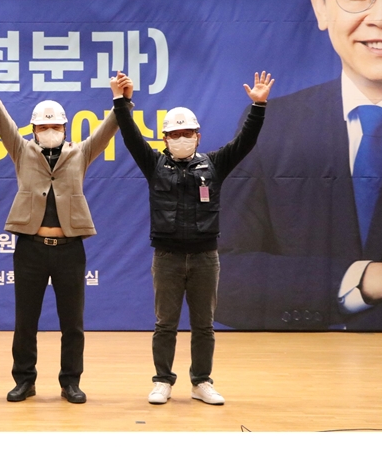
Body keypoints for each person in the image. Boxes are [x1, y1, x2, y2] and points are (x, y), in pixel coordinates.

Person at [215, 0, 382, 333]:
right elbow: (219, 275)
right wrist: (365, 279)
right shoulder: (271, 125)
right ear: (320, 5)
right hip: (305, 361)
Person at [110, 69, 274, 404]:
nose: (181, 138)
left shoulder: (214, 165)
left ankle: (201, 382)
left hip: (205, 258)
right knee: (165, 325)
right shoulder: (155, 165)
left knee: (204, 326)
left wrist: (258, 107)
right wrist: (120, 101)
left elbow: (245, 143)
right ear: (165, 139)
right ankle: (162, 381)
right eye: (175, 134)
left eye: (187, 133)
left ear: (198, 136)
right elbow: (130, 136)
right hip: (167, 258)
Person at [0, 93, 119, 403]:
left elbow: (106, 131)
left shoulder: (80, 152)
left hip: (69, 249)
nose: (50, 131)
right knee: (25, 321)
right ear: (33, 130)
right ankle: (24, 380)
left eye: (56, 126)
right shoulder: (21, 150)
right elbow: (3, 122)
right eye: (43, 127)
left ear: (65, 128)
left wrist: (121, 101)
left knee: (72, 322)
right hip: (30, 248)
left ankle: (70, 382)